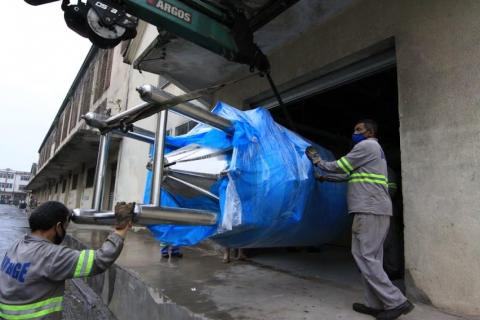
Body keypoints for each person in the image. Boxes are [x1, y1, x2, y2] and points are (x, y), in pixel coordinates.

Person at [305, 119, 414, 320]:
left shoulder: (366, 146)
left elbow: (340, 166)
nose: (354, 132)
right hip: (373, 210)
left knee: (365, 257)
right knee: (370, 258)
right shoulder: (373, 153)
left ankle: (397, 302)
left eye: (358, 129)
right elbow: (348, 175)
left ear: (369, 132)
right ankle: (375, 304)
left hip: (369, 210)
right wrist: (324, 177)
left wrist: (318, 162)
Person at [0, 201, 134, 320]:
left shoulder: (17, 245)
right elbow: (99, 260)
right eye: (66, 227)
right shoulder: (51, 256)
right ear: (58, 227)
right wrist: (120, 230)